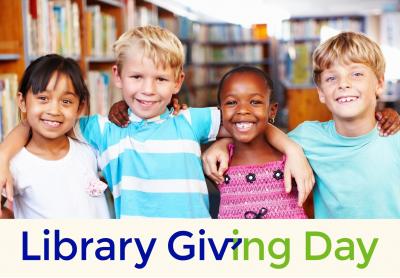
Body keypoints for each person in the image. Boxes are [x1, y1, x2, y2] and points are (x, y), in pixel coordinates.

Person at [1, 26, 313, 219]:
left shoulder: (188, 120)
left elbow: (247, 120)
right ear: (118, 76)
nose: (148, 90)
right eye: (137, 77)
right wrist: (3, 156)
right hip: (134, 254)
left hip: (196, 250)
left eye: (161, 79)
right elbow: (42, 120)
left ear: (178, 82)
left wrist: (293, 151)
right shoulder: (103, 129)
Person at [203, 32, 400, 218]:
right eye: (332, 78)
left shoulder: (394, 138)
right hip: (339, 250)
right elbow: (257, 132)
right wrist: (225, 142)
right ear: (321, 92)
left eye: (356, 74)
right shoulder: (307, 138)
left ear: (380, 84)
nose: (344, 84)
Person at [0, 54, 111, 218]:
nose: (54, 111)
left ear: (80, 107)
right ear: (22, 102)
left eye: (66, 101)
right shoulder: (14, 165)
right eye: (43, 98)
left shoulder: (89, 147)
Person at [216, 66, 307, 219]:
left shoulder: (291, 160)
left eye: (255, 102)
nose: (242, 110)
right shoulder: (218, 165)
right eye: (231, 102)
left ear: (272, 110)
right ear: (219, 112)